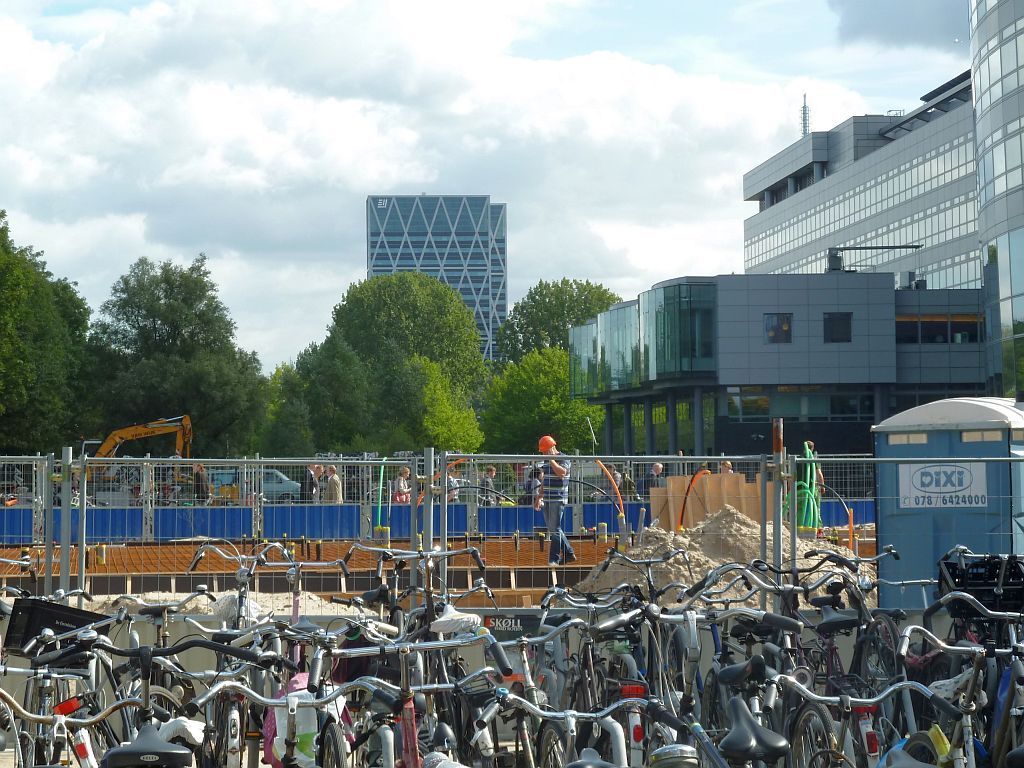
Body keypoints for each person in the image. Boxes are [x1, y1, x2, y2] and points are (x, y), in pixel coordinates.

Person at [537, 435, 577, 566]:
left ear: (552, 448)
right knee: (553, 528)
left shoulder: (563, 458)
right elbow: (545, 480)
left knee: (555, 529)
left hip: (558, 498)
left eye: (545, 451)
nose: (543, 454)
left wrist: (551, 460)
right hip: (548, 499)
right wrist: (539, 497)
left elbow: (562, 472)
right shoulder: (546, 462)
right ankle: (569, 553)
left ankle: (553, 559)